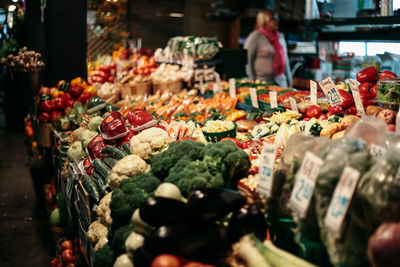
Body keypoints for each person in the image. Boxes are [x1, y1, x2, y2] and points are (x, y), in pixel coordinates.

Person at [244, 10, 292, 88]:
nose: (276, 21)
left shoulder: (280, 37)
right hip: (262, 82)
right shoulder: (255, 36)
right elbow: (247, 61)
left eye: (277, 18)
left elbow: (285, 60)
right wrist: (252, 83)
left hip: (281, 81)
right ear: (264, 21)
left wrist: (290, 81)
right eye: (273, 19)